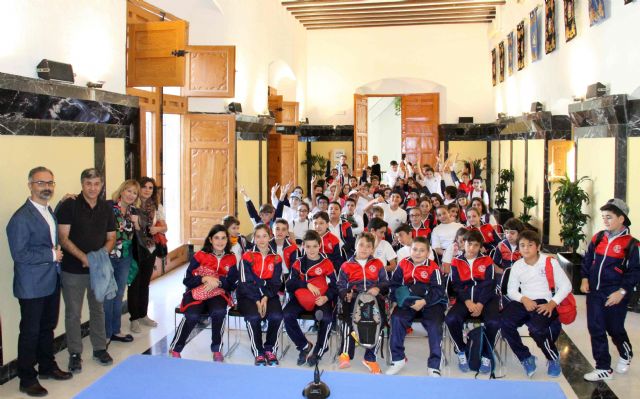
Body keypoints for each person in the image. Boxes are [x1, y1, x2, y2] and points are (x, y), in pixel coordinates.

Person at [7, 167, 73, 397]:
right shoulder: (21, 218)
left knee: (47, 327)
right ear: (30, 185)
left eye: (50, 183)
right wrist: (51, 256)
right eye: (41, 183)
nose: (46, 187)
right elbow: (20, 254)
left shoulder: (48, 211)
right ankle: (26, 378)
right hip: (32, 285)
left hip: (51, 281)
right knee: (30, 332)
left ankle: (47, 366)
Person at [56, 168, 116, 372]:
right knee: (73, 313)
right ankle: (75, 353)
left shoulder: (106, 208)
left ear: (101, 185)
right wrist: (84, 258)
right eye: (88, 184)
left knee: (97, 309)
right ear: (82, 184)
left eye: (96, 184)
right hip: (73, 270)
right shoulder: (69, 205)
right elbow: (63, 238)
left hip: (97, 269)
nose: (92, 188)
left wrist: (97, 259)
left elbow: (111, 237)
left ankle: (99, 348)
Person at [581, 199, 640, 381]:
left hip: (615, 293)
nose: (605, 220)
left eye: (609, 217)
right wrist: (584, 278)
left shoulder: (632, 244)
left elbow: (635, 271)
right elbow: (587, 258)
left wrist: (621, 292)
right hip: (595, 292)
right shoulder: (598, 237)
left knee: (614, 329)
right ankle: (603, 367)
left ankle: (626, 352)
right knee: (596, 328)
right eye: (604, 217)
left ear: (621, 218)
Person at [501, 230, 569, 378]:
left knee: (536, 329)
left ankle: (552, 358)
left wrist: (552, 304)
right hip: (524, 300)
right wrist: (523, 299)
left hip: (545, 302)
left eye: (530, 245)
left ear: (538, 247)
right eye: (522, 245)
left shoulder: (550, 263)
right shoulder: (518, 265)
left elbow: (566, 286)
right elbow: (511, 290)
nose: (526, 248)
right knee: (504, 322)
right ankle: (525, 357)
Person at [169, 225, 237, 361]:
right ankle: (176, 347)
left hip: (218, 293)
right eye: (216, 238)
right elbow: (187, 280)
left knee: (219, 312)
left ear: (227, 240)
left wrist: (218, 282)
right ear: (210, 240)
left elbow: (231, 283)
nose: (220, 241)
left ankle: (216, 348)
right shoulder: (200, 256)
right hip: (197, 291)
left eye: (223, 238)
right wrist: (204, 278)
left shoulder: (231, 258)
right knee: (192, 315)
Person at [387, 237, 447, 377]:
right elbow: (394, 286)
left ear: (428, 253)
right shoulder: (403, 264)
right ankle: (398, 359)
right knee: (397, 318)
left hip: (431, 302)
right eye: (415, 249)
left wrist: (424, 301)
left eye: (422, 250)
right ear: (410, 249)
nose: (418, 253)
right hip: (409, 301)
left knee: (434, 324)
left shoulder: (433, 267)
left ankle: (434, 364)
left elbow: (438, 290)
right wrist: (396, 301)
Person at [445, 230, 499, 374]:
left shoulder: (487, 261)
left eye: (476, 245)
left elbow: (490, 285)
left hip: (486, 300)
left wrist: (480, 304)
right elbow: (456, 285)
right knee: (451, 319)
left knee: (494, 322)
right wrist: (468, 301)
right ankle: (462, 349)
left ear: (480, 247)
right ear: (463, 244)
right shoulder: (456, 261)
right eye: (469, 244)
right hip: (465, 299)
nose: (472, 248)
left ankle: (487, 354)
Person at [283, 230, 338, 367]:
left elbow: (336, 286)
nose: (311, 250)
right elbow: (289, 285)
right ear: (303, 247)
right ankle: (304, 345)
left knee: (326, 318)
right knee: (287, 314)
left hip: (321, 298)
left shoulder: (327, 263)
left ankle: (319, 350)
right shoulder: (298, 263)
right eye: (307, 246)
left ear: (320, 246)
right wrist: (306, 284)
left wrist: (326, 297)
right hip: (300, 298)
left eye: (314, 246)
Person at [337, 233, 388, 374]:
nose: (364, 249)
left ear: (372, 249)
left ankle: (370, 357)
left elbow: (385, 282)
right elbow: (340, 285)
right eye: (361, 245)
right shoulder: (346, 265)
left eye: (368, 246)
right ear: (355, 246)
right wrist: (345, 293)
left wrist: (378, 288)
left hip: (373, 299)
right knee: (349, 322)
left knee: (380, 322)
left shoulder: (378, 264)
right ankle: (345, 354)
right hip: (353, 298)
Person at [238, 224, 283, 366]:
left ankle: (270, 349)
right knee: (253, 317)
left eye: (265, 236)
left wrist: (265, 297)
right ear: (254, 238)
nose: (262, 239)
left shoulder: (276, 258)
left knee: (277, 316)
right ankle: (258, 352)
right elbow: (246, 282)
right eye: (258, 236)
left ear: (270, 237)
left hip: (268, 295)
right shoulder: (247, 256)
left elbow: (276, 283)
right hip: (248, 295)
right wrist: (258, 300)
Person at [128, 177, 167, 333]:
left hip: (150, 248)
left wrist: (157, 230)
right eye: (144, 187)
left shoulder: (156, 206)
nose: (147, 190)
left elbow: (165, 227)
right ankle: (134, 318)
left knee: (145, 282)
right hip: (135, 247)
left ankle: (143, 314)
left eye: (150, 188)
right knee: (134, 283)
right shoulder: (132, 205)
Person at [104, 180, 140, 345]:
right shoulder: (109, 208)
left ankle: (116, 330)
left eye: (134, 193)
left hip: (125, 256)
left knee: (119, 293)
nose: (131, 195)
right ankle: (106, 331)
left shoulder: (134, 211)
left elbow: (139, 233)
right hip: (109, 255)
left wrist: (136, 222)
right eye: (128, 191)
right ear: (122, 191)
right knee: (108, 294)